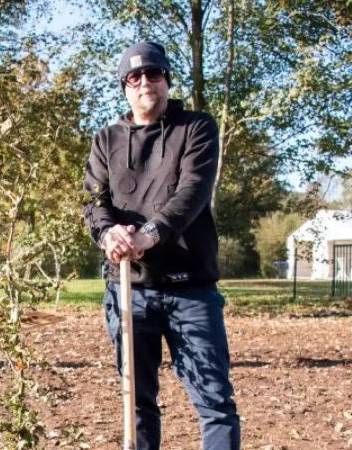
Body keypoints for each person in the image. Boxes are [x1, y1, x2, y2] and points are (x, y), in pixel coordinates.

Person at [82, 42, 241, 449]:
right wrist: (108, 234)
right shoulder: (106, 140)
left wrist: (148, 235)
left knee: (215, 402)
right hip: (130, 291)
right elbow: (93, 203)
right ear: (124, 87)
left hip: (192, 290)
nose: (144, 83)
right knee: (137, 402)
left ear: (167, 79)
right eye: (134, 78)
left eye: (154, 74)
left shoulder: (197, 128)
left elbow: (191, 194)